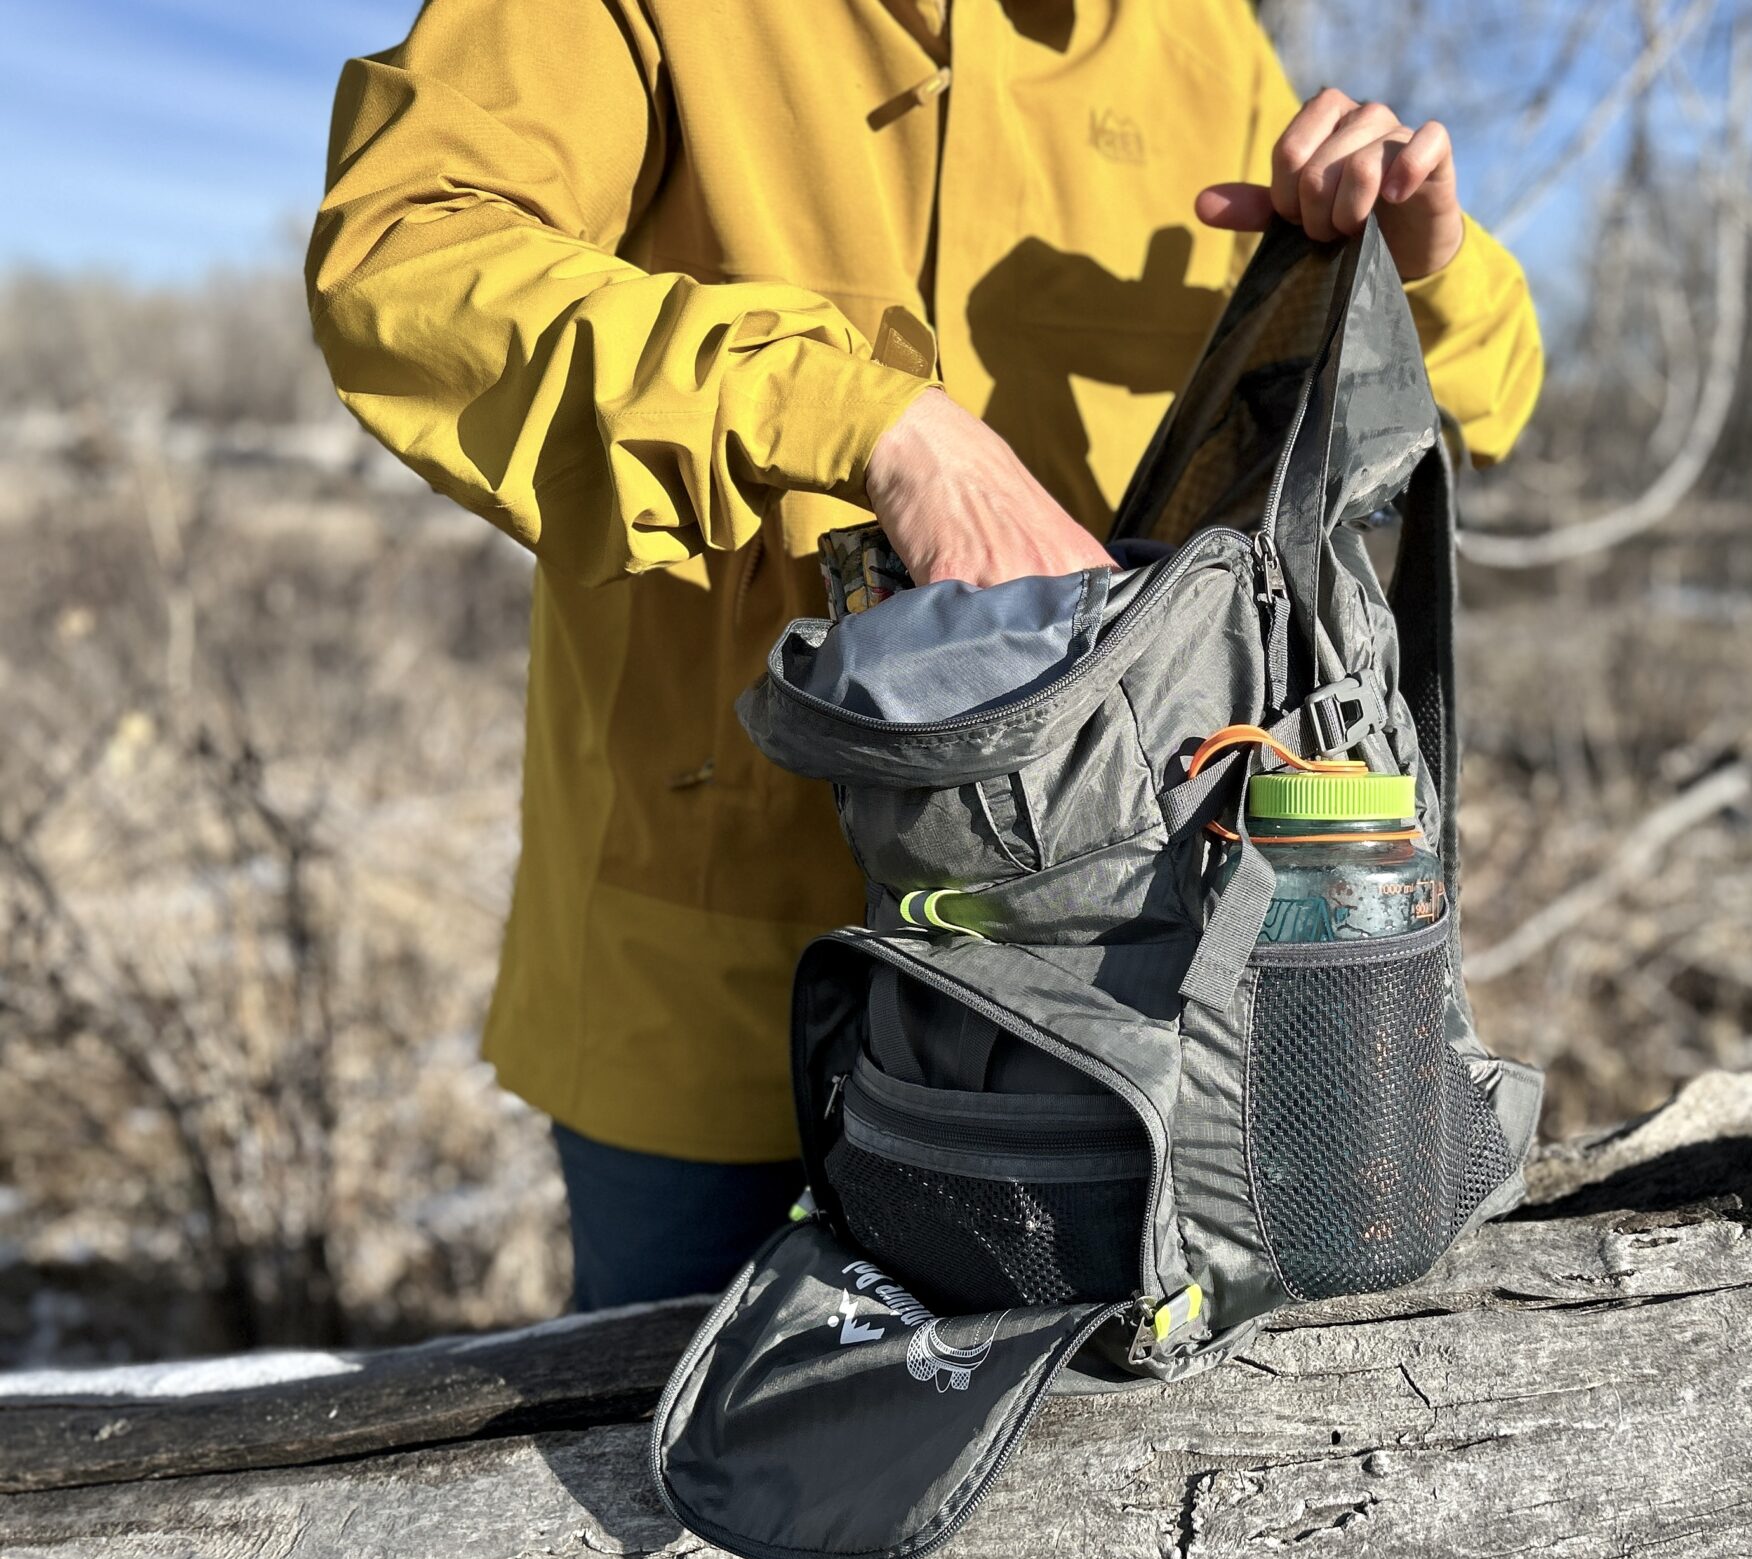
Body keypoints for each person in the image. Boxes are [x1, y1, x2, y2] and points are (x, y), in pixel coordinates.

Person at [306, 0, 1544, 1310]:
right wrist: (880, 424)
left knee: (1107, 1471)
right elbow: (401, 266)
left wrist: (1414, 269)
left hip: (1113, 999)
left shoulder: (1199, 45)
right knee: (665, 1475)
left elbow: (1494, 392)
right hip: (695, 985)